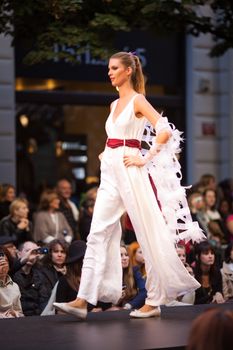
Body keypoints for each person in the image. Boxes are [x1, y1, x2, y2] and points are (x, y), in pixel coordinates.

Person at [53, 51, 205, 319]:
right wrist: (105, 155)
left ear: (128, 71)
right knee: (97, 232)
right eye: (109, 68)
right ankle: (82, 299)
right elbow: (113, 138)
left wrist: (144, 158)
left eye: (114, 68)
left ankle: (155, 300)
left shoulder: (138, 100)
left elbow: (164, 129)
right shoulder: (113, 105)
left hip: (130, 169)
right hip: (110, 170)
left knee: (147, 233)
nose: (109, 72)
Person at [13, 241, 45, 316]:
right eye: (28, 251)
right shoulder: (12, 274)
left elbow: (43, 300)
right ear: (19, 254)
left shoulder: (39, 275)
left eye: (34, 252)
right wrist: (24, 260)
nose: (31, 255)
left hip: (37, 316)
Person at [36, 239, 68, 310]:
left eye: (63, 252)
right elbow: (45, 298)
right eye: (56, 251)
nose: (59, 255)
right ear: (50, 254)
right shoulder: (43, 272)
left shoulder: (70, 271)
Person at [0, 247, 24, 318]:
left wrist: (15, 313)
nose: (3, 265)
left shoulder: (14, 286)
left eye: (5, 261)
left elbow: (20, 312)